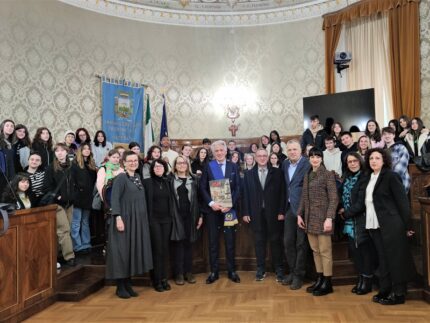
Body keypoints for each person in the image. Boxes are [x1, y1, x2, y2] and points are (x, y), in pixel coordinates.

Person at [360, 148, 416, 305]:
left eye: (377, 158)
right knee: (383, 259)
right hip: (374, 225)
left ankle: (399, 294)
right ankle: (385, 289)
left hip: (392, 224)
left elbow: (402, 202)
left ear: (384, 160)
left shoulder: (391, 176)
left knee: (395, 258)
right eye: (371, 158)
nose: (374, 161)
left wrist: (408, 225)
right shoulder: (369, 177)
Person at [106, 151, 153, 299]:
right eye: (130, 161)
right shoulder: (120, 178)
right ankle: (120, 286)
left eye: (135, 160)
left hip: (137, 221)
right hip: (124, 220)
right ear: (124, 163)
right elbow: (114, 199)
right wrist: (118, 218)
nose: (133, 163)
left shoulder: (138, 177)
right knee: (122, 252)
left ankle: (128, 284)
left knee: (131, 251)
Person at [297, 148, 338, 296]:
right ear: (309, 159)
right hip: (309, 219)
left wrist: (329, 218)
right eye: (312, 156)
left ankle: (328, 282)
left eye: (317, 156)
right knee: (315, 251)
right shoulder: (308, 175)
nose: (315, 159)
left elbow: (334, 198)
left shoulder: (328, 174)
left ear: (321, 159)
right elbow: (303, 196)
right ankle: (320, 279)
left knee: (325, 251)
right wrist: (299, 214)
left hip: (323, 219)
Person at [200, 140, 241, 284]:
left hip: (229, 210)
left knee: (230, 241)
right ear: (213, 152)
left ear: (225, 151)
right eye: (216, 151)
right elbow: (202, 188)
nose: (219, 153)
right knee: (213, 242)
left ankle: (232, 271)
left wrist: (230, 204)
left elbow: (237, 188)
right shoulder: (208, 166)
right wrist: (211, 203)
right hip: (213, 211)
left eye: (221, 150)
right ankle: (214, 272)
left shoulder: (233, 166)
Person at [242, 148, 286, 282]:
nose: (262, 158)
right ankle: (261, 269)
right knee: (259, 242)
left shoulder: (278, 172)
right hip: (256, 214)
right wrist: (245, 212)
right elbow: (245, 195)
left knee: (275, 241)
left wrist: (281, 211)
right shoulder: (248, 174)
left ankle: (279, 269)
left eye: (264, 156)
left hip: (273, 214)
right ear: (255, 158)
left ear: (268, 157)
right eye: (259, 156)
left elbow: (283, 193)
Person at [144, 159, 183, 292]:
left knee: (165, 249)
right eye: (155, 166)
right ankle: (156, 280)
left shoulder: (167, 182)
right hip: (153, 220)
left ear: (164, 168)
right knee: (157, 250)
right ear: (152, 169)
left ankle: (164, 278)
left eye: (161, 166)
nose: (158, 168)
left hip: (167, 220)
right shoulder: (147, 183)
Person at [339, 152, 375, 295]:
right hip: (349, 222)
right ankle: (361, 278)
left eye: (355, 161)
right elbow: (342, 196)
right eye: (349, 162)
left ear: (360, 162)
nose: (352, 164)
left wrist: (344, 213)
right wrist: (341, 208)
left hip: (361, 219)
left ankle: (367, 281)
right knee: (355, 252)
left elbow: (361, 203)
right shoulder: (346, 177)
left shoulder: (365, 177)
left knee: (365, 252)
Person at [281, 139, 311, 290]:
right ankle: (293, 271)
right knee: (287, 242)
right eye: (290, 149)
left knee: (301, 244)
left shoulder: (307, 164)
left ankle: (299, 275)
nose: (292, 152)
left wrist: (302, 210)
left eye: (295, 149)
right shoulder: (285, 164)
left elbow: (308, 189)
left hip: (302, 210)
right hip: (288, 210)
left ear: (301, 150)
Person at [170, 156, 203, 285]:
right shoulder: (170, 179)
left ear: (187, 165)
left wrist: (200, 216)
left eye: (184, 163)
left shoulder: (195, 179)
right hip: (176, 217)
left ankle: (189, 272)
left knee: (189, 245)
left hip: (191, 216)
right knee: (178, 245)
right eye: (179, 163)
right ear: (175, 165)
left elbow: (199, 200)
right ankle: (178, 273)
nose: (182, 165)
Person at [44, 143, 76, 266]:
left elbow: (77, 184)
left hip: (70, 203)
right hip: (57, 204)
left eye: (62, 150)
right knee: (64, 229)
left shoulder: (73, 166)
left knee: (63, 231)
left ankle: (57, 255)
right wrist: (58, 196)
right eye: (57, 151)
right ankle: (69, 256)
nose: (60, 153)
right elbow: (46, 186)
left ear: (67, 152)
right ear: (55, 154)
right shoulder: (51, 167)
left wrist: (73, 197)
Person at [71, 143, 97, 254]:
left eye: (88, 149)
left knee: (85, 222)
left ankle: (86, 243)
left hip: (88, 197)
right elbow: (72, 182)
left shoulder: (91, 165)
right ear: (80, 151)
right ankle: (77, 245)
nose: (86, 150)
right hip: (78, 197)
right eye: (84, 149)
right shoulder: (75, 164)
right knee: (76, 222)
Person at [382, 127, 411, 193]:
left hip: (400, 182)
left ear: (394, 135)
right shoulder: (382, 151)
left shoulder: (401, 148)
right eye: (384, 134)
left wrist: (389, 179)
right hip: (386, 185)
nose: (387, 136)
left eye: (389, 133)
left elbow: (401, 168)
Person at [0, 119, 16, 196]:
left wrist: (12, 178)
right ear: (2, 127)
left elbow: (10, 162)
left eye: (12, 126)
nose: (10, 128)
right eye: (7, 125)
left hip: (7, 176)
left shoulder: (10, 143)